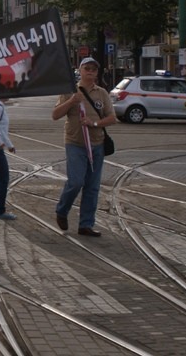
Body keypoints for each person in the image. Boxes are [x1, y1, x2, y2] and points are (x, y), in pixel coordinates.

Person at [52, 56, 117, 237]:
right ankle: (62, 210)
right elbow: (55, 115)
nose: (90, 72)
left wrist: (94, 124)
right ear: (80, 71)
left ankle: (86, 224)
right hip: (75, 143)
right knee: (76, 182)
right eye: (87, 68)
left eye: (94, 69)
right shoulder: (69, 91)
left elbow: (112, 118)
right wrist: (72, 101)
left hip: (97, 144)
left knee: (92, 186)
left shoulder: (101, 93)